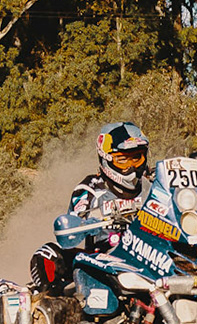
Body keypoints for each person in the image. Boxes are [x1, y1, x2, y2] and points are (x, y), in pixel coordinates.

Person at [30, 122, 151, 294]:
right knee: (47, 255)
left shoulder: (154, 182)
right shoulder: (89, 188)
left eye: (136, 158)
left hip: (154, 252)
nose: (131, 167)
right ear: (106, 159)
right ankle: (51, 300)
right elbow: (75, 226)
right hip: (105, 259)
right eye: (123, 160)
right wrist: (95, 222)